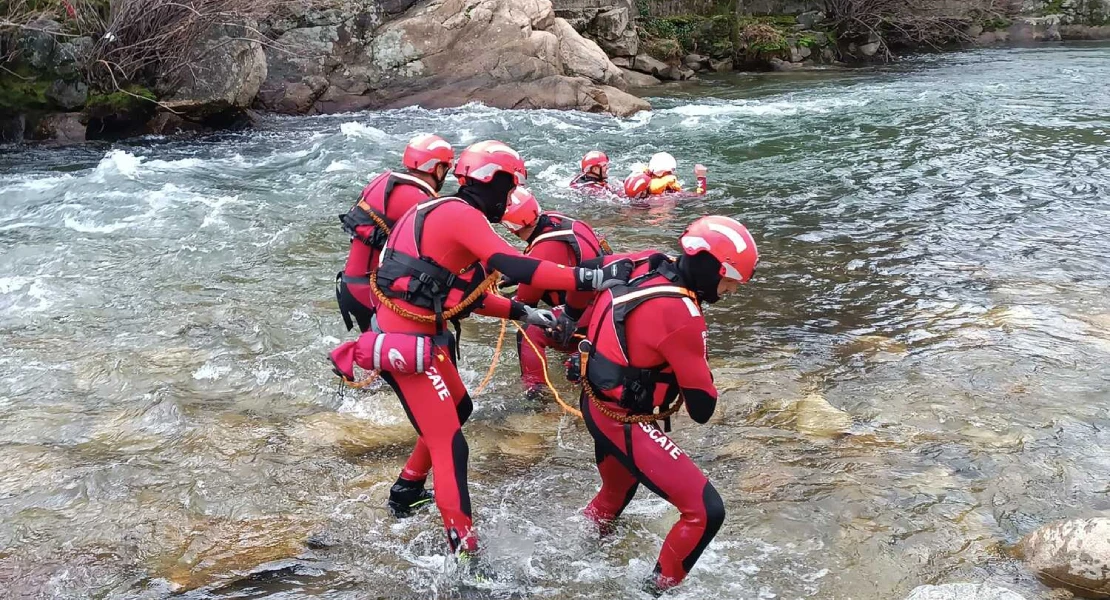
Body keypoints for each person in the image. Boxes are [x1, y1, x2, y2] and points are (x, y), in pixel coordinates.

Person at [339, 140, 635, 561]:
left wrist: (524, 313)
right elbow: (516, 265)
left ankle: (407, 489)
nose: (510, 196)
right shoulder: (459, 215)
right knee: (451, 446)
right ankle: (466, 559)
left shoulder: (441, 211)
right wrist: (591, 278)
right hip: (406, 346)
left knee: (459, 408)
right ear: (489, 180)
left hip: (417, 335)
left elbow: (461, 295)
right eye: (508, 186)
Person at [575, 215, 759, 594]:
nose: (732, 291)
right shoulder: (682, 317)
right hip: (622, 420)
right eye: (730, 281)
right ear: (711, 269)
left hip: (595, 401)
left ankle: (578, 553)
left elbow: (583, 277)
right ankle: (654, 591)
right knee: (706, 512)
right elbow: (702, 409)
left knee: (616, 492)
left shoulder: (645, 261)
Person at [336, 134, 454, 332]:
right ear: (438, 169)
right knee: (433, 341)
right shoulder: (417, 199)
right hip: (369, 294)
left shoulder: (389, 183)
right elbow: (449, 242)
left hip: (353, 285)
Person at [500, 186, 612, 397]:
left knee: (528, 331)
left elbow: (525, 302)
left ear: (510, 226)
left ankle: (535, 391)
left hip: (591, 313)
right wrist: (517, 273)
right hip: (606, 302)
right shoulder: (558, 220)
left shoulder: (543, 248)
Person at [623, 152, 707, 200]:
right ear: (667, 172)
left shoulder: (636, 183)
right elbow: (700, 196)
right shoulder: (668, 194)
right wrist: (701, 176)